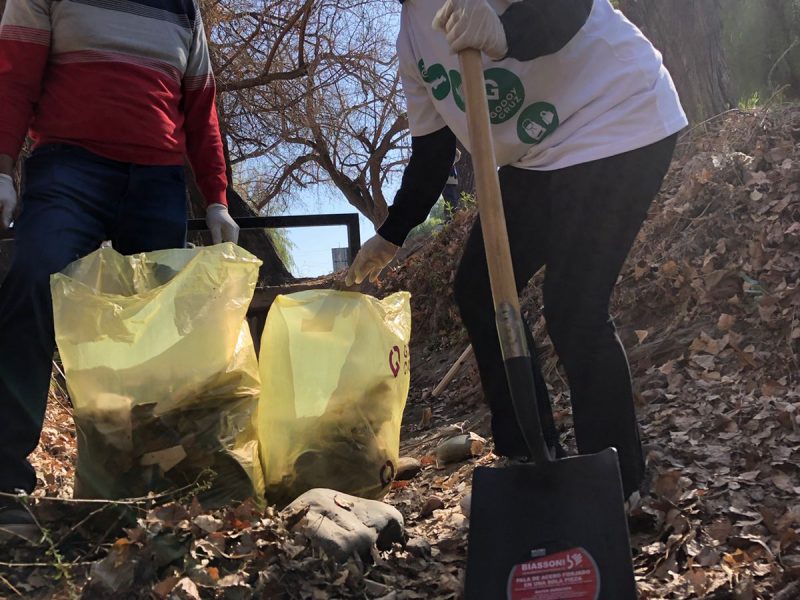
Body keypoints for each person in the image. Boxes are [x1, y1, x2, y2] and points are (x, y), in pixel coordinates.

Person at [346, 0, 688, 500]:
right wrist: (392, 232)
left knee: (573, 306)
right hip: (538, 157)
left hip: (617, 117)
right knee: (478, 288)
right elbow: (433, 151)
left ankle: (616, 485)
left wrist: (506, 32)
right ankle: (529, 456)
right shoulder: (412, 38)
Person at [0, 0, 238, 536]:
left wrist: (216, 197)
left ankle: (147, 483)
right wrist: (2, 167)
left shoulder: (184, 8)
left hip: (158, 180)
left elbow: (200, 105)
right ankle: (4, 482)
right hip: (68, 168)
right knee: (34, 283)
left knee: (158, 330)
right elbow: (14, 74)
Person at [442, 148, 462, 218]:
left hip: (452, 184)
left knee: (454, 200)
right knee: (450, 201)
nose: (454, 161)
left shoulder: (452, 166)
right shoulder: (445, 164)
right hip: (448, 184)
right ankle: (449, 217)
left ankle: (453, 216)